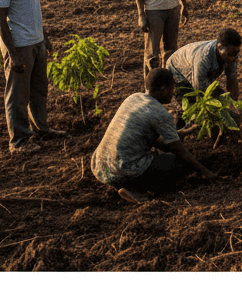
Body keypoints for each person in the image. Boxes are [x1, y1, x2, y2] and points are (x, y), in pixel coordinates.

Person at [91, 68, 217, 204]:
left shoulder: (133, 98)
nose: (173, 91)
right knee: (183, 165)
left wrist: (186, 131)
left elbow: (159, 143)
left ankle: (120, 184)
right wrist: (207, 172)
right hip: (124, 168)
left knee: (159, 157)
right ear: (163, 90)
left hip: (100, 166)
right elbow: (178, 150)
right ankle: (136, 189)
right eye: (172, 87)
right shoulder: (160, 113)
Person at [0, 0, 66, 155]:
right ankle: (19, 142)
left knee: (39, 90)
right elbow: (0, 20)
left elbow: (33, 8)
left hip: (36, 41)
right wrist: (12, 54)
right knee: (18, 95)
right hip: (19, 44)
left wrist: (44, 36)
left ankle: (41, 128)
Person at [166, 27, 242, 128]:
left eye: (236, 53)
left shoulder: (232, 53)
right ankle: (177, 125)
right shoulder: (204, 57)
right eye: (230, 55)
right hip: (177, 71)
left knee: (218, 101)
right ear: (219, 47)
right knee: (191, 109)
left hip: (196, 70)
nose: (233, 58)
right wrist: (220, 106)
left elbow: (232, 80)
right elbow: (200, 88)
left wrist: (233, 105)